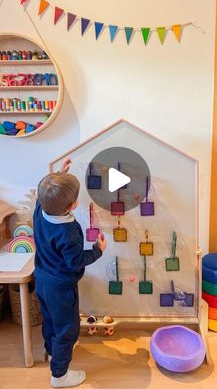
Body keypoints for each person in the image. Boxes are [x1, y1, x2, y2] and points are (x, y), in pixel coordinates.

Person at [33, 159, 106, 388]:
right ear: (73, 206)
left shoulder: (39, 211)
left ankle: (52, 352)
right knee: (67, 329)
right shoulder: (67, 232)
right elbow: (75, 262)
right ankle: (59, 375)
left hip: (42, 280)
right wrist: (98, 251)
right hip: (61, 287)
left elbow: (43, 195)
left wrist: (58, 176)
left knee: (51, 320)